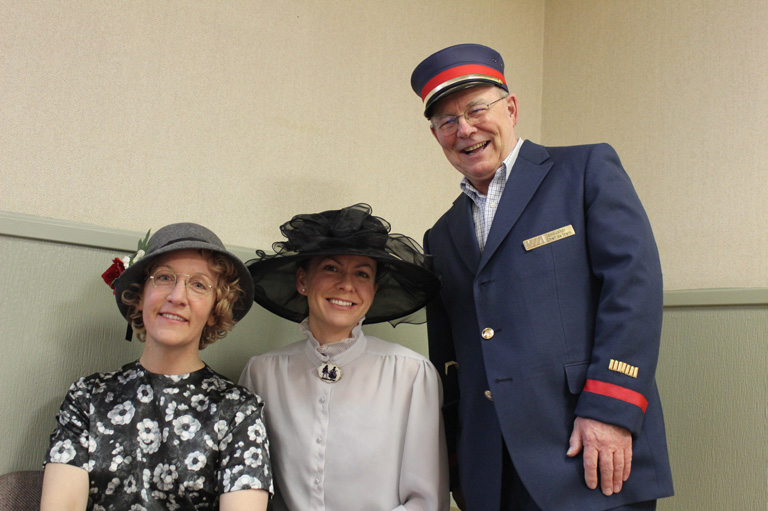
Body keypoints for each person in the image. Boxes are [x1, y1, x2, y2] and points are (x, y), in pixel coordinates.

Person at [409, 44, 674, 511]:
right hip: (493, 469)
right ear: (436, 136)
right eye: (447, 121)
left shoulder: (585, 169)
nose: (465, 129)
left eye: (476, 109)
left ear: (510, 108)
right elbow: (449, 357)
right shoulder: (442, 234)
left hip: (587, 449)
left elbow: (634, 287)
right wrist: (457, 459)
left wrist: (610, 412)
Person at [41, 223, 272, 511]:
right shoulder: (87, 398)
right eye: (164, 277)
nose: (177, 296)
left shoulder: (239, 411)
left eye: (199, 284)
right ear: (139, 297)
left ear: (215, 310)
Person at [239, 203, 449, 511]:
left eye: (362, 274)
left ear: (374, 290)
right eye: (331, 268)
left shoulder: (411, 373)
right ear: (302, 281)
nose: (347, 285)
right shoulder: (262, 373)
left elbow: (426, 501)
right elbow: (251, 484)